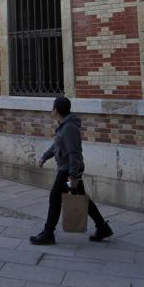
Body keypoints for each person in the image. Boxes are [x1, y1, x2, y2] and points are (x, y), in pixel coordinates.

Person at [29, 96, 113, 245]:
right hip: (69, 169)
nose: (52, 110)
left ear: (56, 110)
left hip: (68, 170)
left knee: (55, 197)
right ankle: (102, 227)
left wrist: (73, 176)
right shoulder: (64, 125)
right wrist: (44, 157)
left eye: (53, 107)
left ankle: (48, 233)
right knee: (81, 198)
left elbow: (73, 153)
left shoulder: (68, 128)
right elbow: (57, 145)